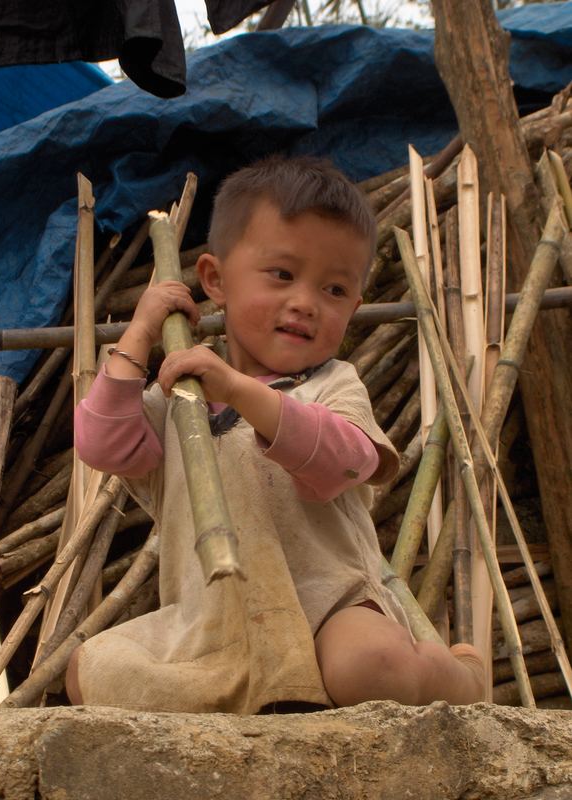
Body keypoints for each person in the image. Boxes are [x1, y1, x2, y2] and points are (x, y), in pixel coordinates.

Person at [66, 155, 484, 712]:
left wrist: (240, 391)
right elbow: (101, 445)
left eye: (334, 290)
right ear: (215, 280)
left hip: (328, 613)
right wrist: (140, 332)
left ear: (355, 306)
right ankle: (252, 694)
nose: (306, 302)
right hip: (212, 627)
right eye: (282, 275)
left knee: (371, 668)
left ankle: (457, 677)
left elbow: (347, 461)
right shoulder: (178, 403)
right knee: (88, 668)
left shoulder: (333, 384)